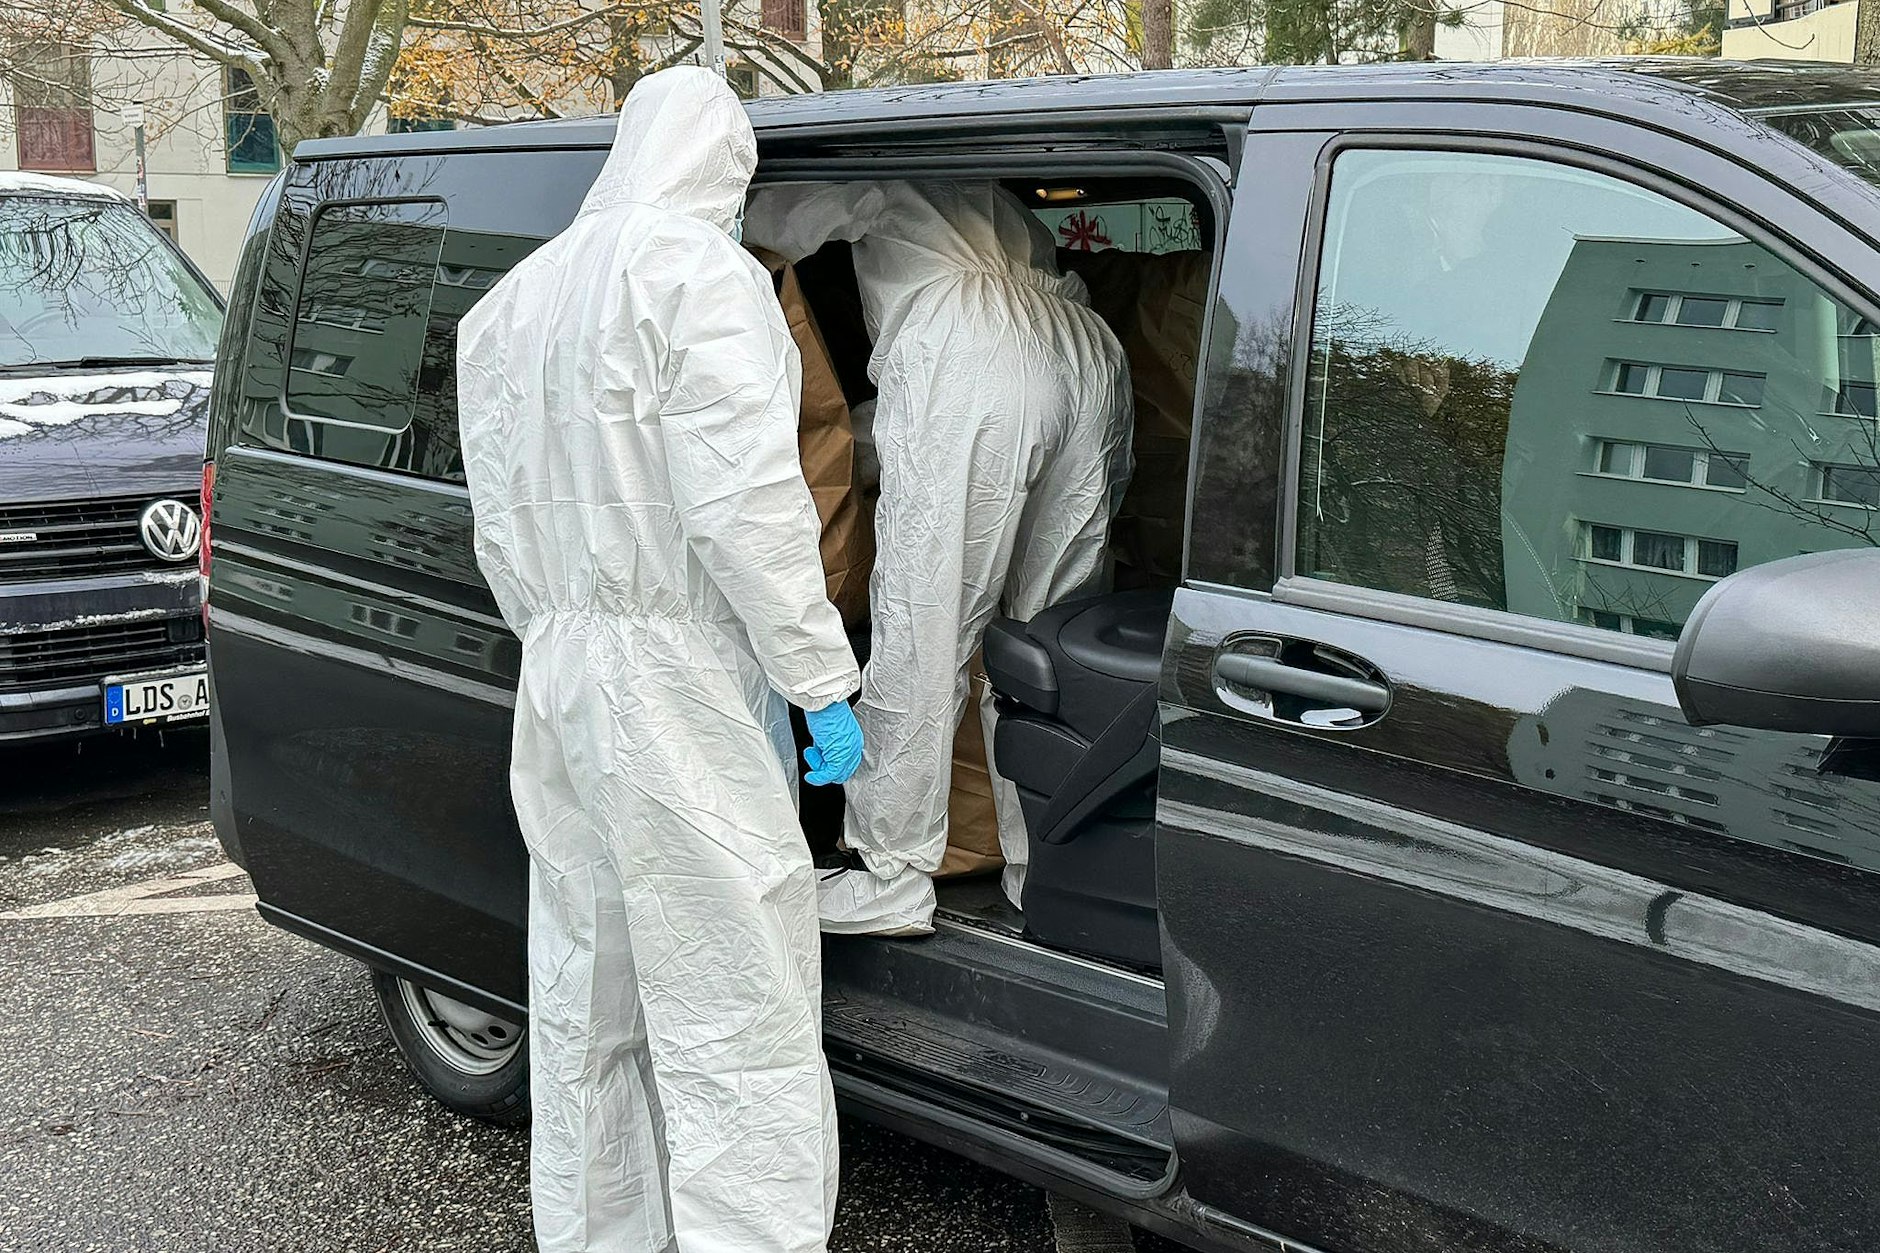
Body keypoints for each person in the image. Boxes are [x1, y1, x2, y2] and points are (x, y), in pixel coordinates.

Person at [455, 67, 863, 1253]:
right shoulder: (703, 282)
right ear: (721, 167)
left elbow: (498, 517)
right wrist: (818, 679)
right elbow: (747, 511)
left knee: (588, 991)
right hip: (677, 677)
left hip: (560, 670)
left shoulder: (513, 301)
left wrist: (560, 627)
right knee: (735, 999)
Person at [746, 181, 1132, 936]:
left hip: (970, 347)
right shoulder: (995, 191)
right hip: (1086, 346)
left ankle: (891, 872)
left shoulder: (884, 160)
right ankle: (1049, 870)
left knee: (923, 629)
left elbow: (769, 222)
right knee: (1046, 643)